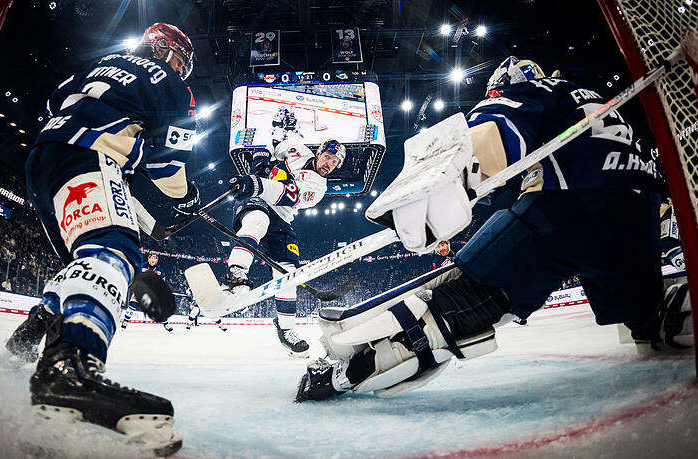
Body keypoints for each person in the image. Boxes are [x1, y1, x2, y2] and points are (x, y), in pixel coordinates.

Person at [295, 56, 691, 402]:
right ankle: (660, 320)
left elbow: (494, 132)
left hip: (567, 205)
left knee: (466, 293)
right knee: (647, 317)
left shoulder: (536, 90)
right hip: (637, 216)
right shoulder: (595, 103)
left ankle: (346, 371)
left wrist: (439, 186)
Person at [6, 22, 199, 454]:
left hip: (45, 159)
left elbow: (61, 104)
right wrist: (188, 196)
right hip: (90, 156)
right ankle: (69, 370)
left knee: (85, 260)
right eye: (181, 57)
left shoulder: (98, 65)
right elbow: (169, 165)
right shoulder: (169, 83)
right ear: (165, 50)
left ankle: (36, 335)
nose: (182, 67)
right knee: (114, 254)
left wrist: (150, 219)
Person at [223, 138, 346, 358]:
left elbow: (287, 195)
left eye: (335, 162)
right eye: (328, 157)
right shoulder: (298, 149)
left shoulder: (317, 188)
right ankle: (236, 274)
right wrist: (262, 161)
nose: (330, 164)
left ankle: (286, 329)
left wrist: (258, 181)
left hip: (281, 216)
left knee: (289, 273)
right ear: (318, 153)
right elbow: (273, 145)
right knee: (257, 221)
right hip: (257, 200)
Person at [121, 250, 173, 331]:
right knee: (132, 305)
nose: (153, 260)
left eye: (155, 258)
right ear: (149, 258)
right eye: (152, 257)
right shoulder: (142, 266)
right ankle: (125, 321)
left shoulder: (160, 270)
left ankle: (166, 324)